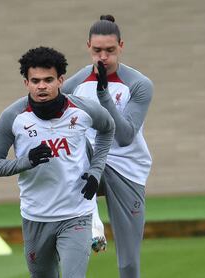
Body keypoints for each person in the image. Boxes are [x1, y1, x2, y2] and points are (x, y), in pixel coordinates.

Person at [0, 46, 115, 278]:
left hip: (76, 213)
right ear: (26, 83)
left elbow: (108, 129)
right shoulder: (13, 117)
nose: (42, 86)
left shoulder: (82, 109)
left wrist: (96, 169)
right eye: (35, 80)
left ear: (60, 80)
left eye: (48, 80)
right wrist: (25, 162)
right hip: (35, 216)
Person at [62, 15, 154, 278]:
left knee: (128, 261)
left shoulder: (139, 85)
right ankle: (92, 224)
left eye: (110, 50)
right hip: (90, 161)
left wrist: (104, 96)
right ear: (88, 46)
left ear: (121, 46)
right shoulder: (75, 84)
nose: (103, 57)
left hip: (127, 167)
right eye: (97, 50)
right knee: (70, 151)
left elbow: (125, 136)